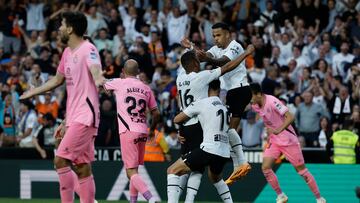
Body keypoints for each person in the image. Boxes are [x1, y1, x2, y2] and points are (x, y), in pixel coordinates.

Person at [20, 11, 105, 203]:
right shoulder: (67, 53)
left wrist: (99, 78)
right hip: (74, 116)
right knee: (83, 167)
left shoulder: (88, 48)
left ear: (71, 28)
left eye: (62, 24)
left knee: (60, 160)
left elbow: (95, 69)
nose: (58, 29)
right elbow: (58, 80)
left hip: (86, 116)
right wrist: (34, 92)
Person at [168, 44, 254, 202]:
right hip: (198, 124)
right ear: (195, 64)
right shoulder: (202, 77)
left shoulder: (180, 78)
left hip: (184, 125)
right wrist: (245, 54)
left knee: (184, 169)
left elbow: (186, 61)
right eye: (198, 61)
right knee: (195, 170)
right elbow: (227, 66)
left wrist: (191, 47)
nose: (200, 62)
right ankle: (240, 161)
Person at [182, 22, 252, 184]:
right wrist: (191, 47)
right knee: (228, 129)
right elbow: (203, 56)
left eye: (219, 35)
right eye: (214, 36)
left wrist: (207, 57)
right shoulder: (215, 49)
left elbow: (222, 62)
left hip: (240, 89)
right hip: (231, 92)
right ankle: (239, 164)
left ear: (228, 34)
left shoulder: (235, 46)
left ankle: (240, 163)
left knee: (227, 129)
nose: (216, 39)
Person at [250, 83, 326, 203]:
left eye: (251, 96)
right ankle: (281, 196)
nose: (250, 99)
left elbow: (290, 117)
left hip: (288, 139)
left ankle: (319, 198)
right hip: (274, 140)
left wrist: (278, 129)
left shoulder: (272, 101)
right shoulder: (255, 105)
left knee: (302, 172)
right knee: (265, 168)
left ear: (258, 94)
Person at [103, 59, 160, 203]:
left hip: (128, 130)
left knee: (131, 172)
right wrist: (152, 130)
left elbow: (102, 83)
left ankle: (151, 199)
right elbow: (156, 113)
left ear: (123, 71)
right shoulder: (146, 88)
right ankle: (133, 201)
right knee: (134, 170)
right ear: (138, 71)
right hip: (142, 130)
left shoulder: (119, 82)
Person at [171, 80, 233, 203]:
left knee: (172, 170)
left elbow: (177, 119)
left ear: (206, 89)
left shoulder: (202, 103)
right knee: (216, 179)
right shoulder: (225, 108)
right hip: (224, 152)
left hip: (209, 149)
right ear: (219, 91)